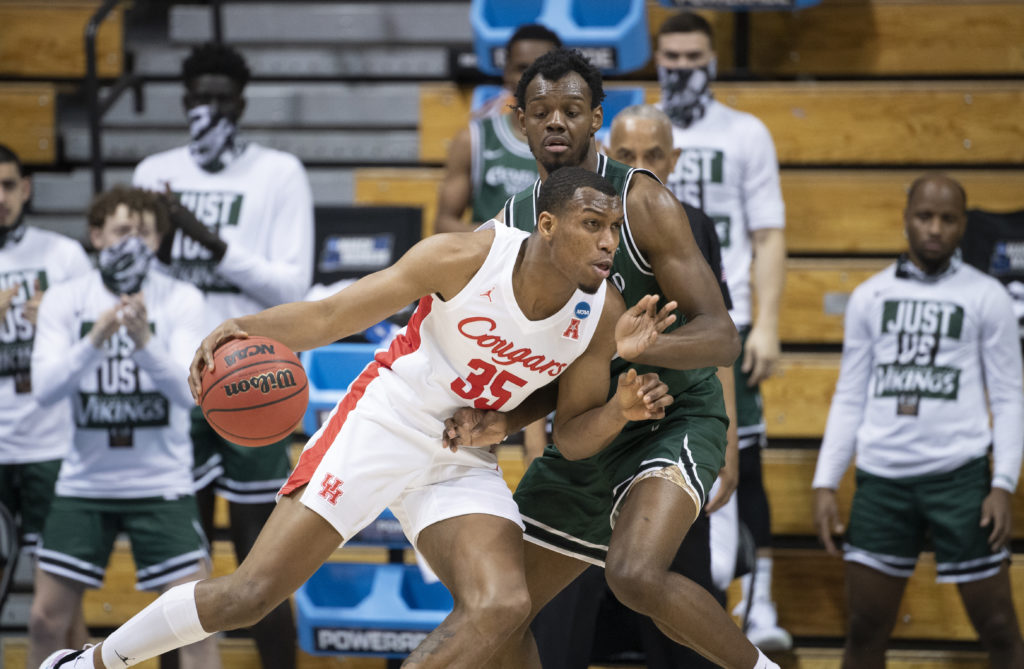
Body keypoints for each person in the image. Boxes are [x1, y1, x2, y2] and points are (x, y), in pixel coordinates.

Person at [39, 166, 681, 669]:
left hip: (460, 454)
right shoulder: (463, 258)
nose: (607, 241)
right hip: (384, 422)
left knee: (504, 606)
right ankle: (87, 661)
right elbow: (330, 317)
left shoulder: (600, 316)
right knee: (249, 596)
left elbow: (569, 439)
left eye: (613, 228)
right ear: (545, 224)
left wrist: (619, 410)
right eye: (592, 224)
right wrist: (244, 325)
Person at [446, 48, 775, 669]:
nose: (555, 124)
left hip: (670, 418)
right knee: (499, 611)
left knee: (633, 575)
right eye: (540, 112)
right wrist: (505, 420)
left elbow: (723, 336)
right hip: (588, 426)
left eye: (571, 111)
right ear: (519, 123)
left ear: (596, 118)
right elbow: (557, 363)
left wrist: (650, 347)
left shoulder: (643, 203)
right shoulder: (514, 223)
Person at [132, 42, 313, 668]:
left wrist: (209, 241)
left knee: (260, 565)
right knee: (178, 569)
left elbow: (293, 290)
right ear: (183, 102)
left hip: (254, 382)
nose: (208, 109)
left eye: (221, 99)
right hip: (174, 385)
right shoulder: (152, 172)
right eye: (197, 98)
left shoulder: (278, 172)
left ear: (240, 102)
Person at [813, 173, 1024, 668]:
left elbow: (1011, 397)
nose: (934, 228)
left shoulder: (986, 295)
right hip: (882, 482)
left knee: (1000, 629)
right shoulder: (870, 296)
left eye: (947, 219)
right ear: (906, 219)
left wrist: (1004, 483)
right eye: (924, 216)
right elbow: (849, 394)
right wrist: (825, 481)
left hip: (962, 478)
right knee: (864, 629)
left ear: (963, 226)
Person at [30, 186, 221, 669]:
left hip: (161, 484)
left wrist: (143, 343)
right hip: (84, 482)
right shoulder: (66, 299)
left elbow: (188, 393)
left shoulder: (181, 297)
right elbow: (44, 390)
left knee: (196, 627)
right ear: (96, 236)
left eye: (142, 233)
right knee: (44, 622)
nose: (132, 242)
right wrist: (94, 340)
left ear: (157, 241)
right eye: (120, 231)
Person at [655, 11, 790, 649]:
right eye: (671, 56)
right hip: (663, 319)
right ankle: (695, 603)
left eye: (693, 56)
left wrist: (767, 326)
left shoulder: (746, 133)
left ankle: (757, 605)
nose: (681, 66)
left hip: (727, 321)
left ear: (713, 60)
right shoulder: (639, 128)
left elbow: (768, 234)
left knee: (746, 464)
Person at [0, 143, 93, 654]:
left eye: (8, 185)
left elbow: (102, 349)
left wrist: (57, 326)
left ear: (26, 188)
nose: (0, 197)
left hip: (50, 448)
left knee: (59, 608)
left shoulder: (63, 255)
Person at [433, 24, 561, 234]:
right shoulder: (473, 141)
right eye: (522, 68)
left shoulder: (581, 147)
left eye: (544, 69)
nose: (532, 78)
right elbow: (443, 225)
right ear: (507, 73)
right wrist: (501, 238)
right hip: (490, 261)